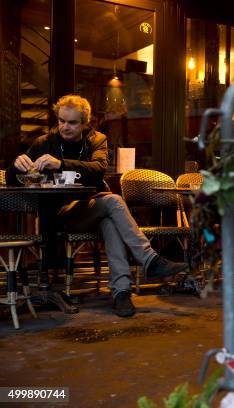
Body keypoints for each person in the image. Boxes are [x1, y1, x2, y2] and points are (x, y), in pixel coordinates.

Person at [6, 95, 188, 317]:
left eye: (72, 123)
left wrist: (60, 164)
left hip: (90, 208)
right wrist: (16, 166)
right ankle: (145, 264)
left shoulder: (96, 140)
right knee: (113, 203)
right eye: (61, 121)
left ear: (84, 123)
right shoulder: (44, 142)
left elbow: (98, 169)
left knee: (110, 215)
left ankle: (121, 292)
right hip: (60, 215)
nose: (65, 127)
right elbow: (13, 179)